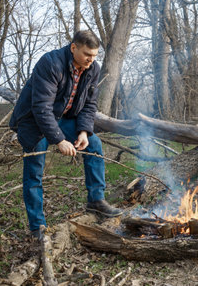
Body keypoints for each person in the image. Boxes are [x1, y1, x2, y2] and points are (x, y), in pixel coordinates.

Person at [9, 30, 122, 237]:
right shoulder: (51, 63)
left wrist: (83, 131)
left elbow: (89, 105)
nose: (91, 59)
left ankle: (96, 201)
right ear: (73, 48)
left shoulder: (92, 69)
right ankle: (37, 226)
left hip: (63, 119)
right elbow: (41, 108)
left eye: (95, 55)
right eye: (87, 54)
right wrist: (59, 140)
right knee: (34, 170)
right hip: (33, 121)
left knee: (94, 144)